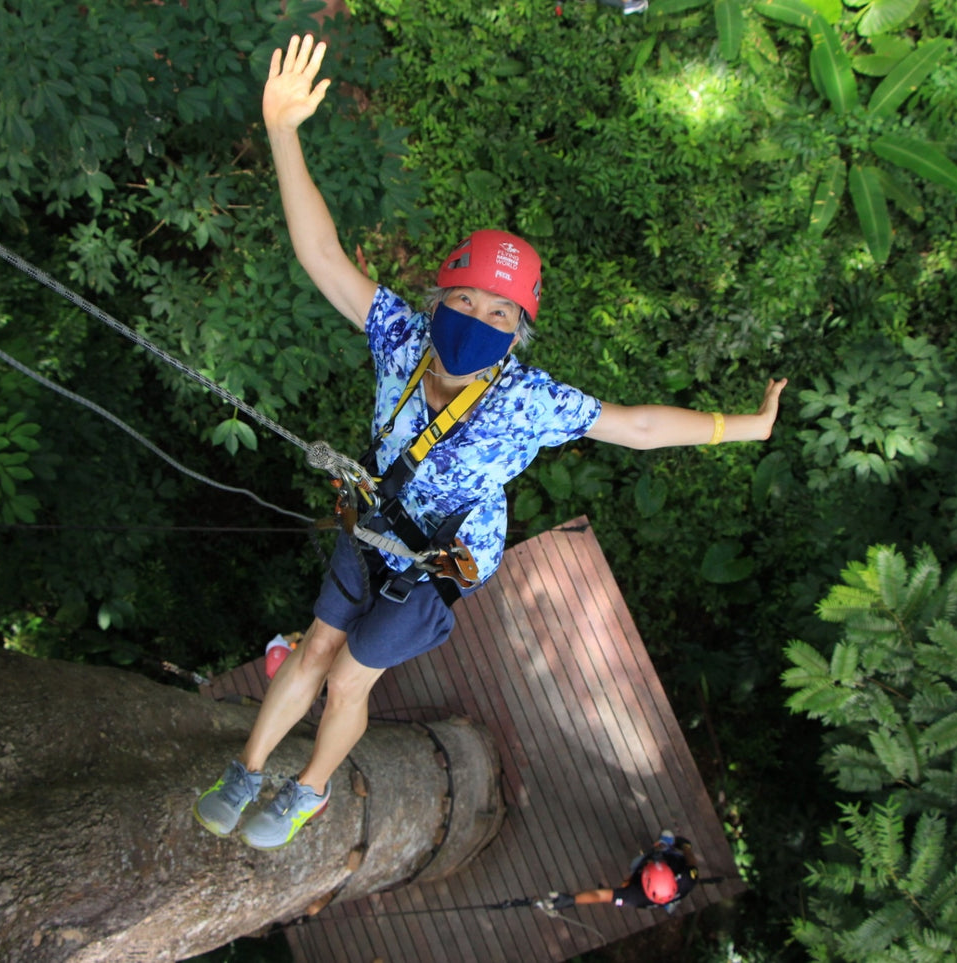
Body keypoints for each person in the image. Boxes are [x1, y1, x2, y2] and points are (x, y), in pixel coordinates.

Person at [194, 33, 788, 851]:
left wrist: (743, 426)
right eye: (467, 299)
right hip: (375, 517)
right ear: (438, 295)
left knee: (348, 674)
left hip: (444, 560)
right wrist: (282, 131)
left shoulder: (531, 401)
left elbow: (640, 426)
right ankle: (248, 767)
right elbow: (321, 255)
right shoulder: (400, 336)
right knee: (314, 644)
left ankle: (308, 789)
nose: (479, 319)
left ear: (520, 335)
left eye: (501, 314)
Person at [539, 830, 702, 911]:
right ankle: (669, 903)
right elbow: (691, 861)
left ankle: (664, 845)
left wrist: (572, 900)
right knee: (663, 856)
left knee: (637, 862)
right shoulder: (689, 878)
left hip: (652, 895)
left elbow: (600, 895)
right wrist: (686, 847)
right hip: (672, 892)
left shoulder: (633, 895)